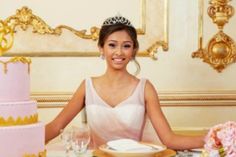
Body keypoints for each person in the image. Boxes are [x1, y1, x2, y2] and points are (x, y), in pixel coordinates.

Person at [45, 15, 205, 150]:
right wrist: (22, 137)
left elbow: (169, 139)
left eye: (126, 46)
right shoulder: (87, 86)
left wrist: (213, 137)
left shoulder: (145, 88)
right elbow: (55, 126)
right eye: (112, 45)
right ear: (101, 48)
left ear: (134, 50)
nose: (119, 52)